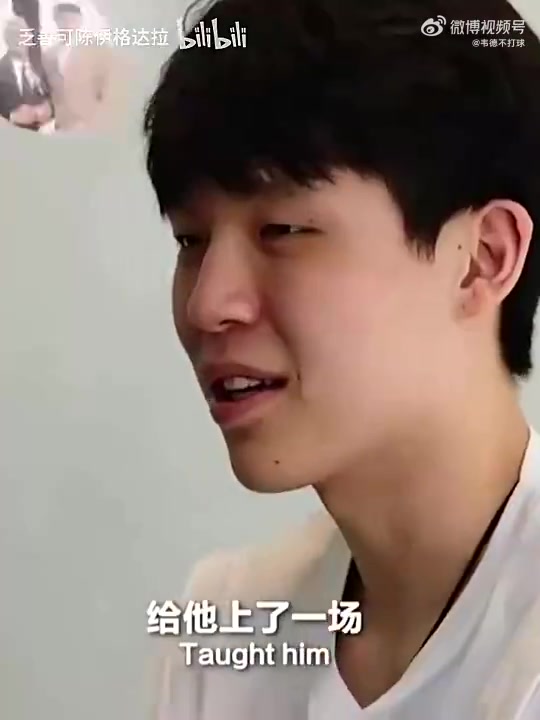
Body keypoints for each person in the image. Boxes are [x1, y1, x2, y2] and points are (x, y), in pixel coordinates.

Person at [142, 0, 540, 717]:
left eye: (283, 229)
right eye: (189, 240)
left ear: (481, 259)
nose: (207, 304)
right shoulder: (229, 630)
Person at [42, 2, 130, 132]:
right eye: (62, 19)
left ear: (80, 21)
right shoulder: (49, 54)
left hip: (90, 121)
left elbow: (109, 86)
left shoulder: (97, 48)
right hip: (60, 124)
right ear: (56, 22)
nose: (67, 24)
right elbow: (46, 89)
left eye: (72, 19)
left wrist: (99, 118)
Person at [0, 16, 52, 130]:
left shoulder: (42, 67)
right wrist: (11, 117)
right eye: (14, 35)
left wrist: (49, 109)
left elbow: (54, 99)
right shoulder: (1, 70)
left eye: (23, 34)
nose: (19, 39)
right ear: (7, 39)